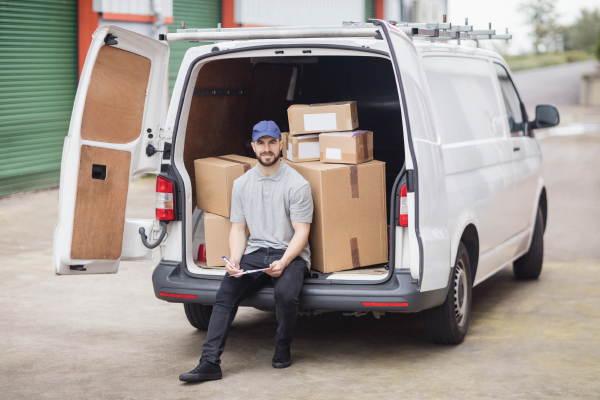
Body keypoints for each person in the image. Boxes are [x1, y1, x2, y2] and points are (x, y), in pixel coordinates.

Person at [179, 120, 314, 382]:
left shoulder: (297, 185)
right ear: (253, 146)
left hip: (290, 253)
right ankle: (209, 362)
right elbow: (239, 230)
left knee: (286, 296)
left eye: (272, 142)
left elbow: (302, 232)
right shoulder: (242, 184)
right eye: (261, 143)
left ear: (281, 145)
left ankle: (282, 345)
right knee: (225, 294)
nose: (267, 149)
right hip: (256, 251)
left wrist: (285, 261)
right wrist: (235, 260)